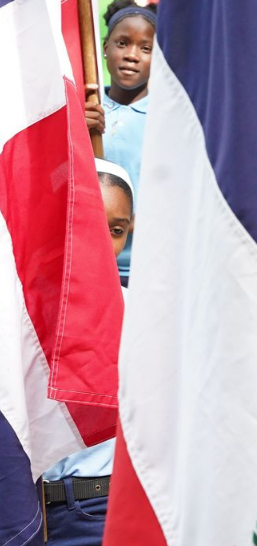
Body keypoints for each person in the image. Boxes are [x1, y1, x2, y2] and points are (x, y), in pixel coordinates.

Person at [42, 160, 135, 545]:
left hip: (101, 513)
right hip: (23, 513)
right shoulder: (21, 314)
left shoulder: (141, 315)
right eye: (88, 219)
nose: (102, 239)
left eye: (117, 230)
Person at [92, 0, 156, 285]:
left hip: (149, 269)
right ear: (106, 47)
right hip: (91, 264)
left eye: (146, 48)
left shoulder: (166, 118)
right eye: (122, 43)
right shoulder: (85, 111)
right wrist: (76, 134)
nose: (132, 55)